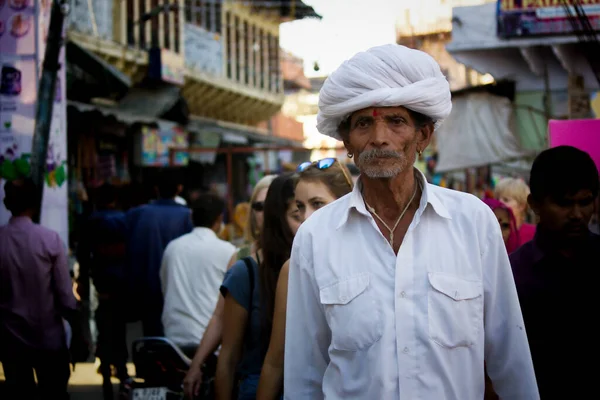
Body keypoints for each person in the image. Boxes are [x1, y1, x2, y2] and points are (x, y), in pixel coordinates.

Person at [284, 44, 538, 399]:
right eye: (363, 124)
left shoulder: (473, 222)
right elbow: (304, 373)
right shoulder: (316, 236)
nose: (379, 137)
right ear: (347, 143)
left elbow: (509, 355)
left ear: (423, 136)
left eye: (396, 121)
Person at [257, 158, 354, 399]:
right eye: (300, 207)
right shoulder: (294, 269)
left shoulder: (377, 259)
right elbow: (275, 361)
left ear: (348, 203)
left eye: (318, 204)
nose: (306, 217)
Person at [510, 146, 599, 398]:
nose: (577, 215)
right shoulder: (513, 274)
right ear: (534, 204)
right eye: (563, 203)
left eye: (585, 202)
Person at [183, 175, 276, 399]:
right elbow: (219, 317)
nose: (266, 212)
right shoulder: (241, 259)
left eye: (272, 204)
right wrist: (196, 365)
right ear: (252, 212)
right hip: (250, 375)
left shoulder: (301, 253)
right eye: (259, 206)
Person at [215, 173, 302, 400]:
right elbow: (229, 355)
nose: (309, 220)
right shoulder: (246, 272)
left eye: (319, 207)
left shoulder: (328, 269)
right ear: (278, 218)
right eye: (297, 213)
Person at [0, 178, 76, 400]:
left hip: (10, 341)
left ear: (6, 203)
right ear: (35, 203)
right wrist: (79, 331)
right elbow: (65, 297)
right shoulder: (49, 239)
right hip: (48, 341)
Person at [160, 193, 237, 358]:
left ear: (191, 217)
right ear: (219, 219)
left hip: (174, 339)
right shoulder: (228, 252)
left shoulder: (172, 248)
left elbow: (165, 288)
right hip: (211, 343)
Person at [120, 172, 193, 336]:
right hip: (177, 288)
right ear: (179, 189)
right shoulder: (187, 216)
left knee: (151, 336)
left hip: (146, 288)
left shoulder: (136, 214)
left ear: (156, 189)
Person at [78, 183, 131, 399]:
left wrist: (82, 280)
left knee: (104, 325)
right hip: (122, 283)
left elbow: (83, 254)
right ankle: (122, 370)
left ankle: (107, 366)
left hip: (101, 284)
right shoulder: (125, 220)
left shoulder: (91, 221)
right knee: (119, 329)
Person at [495, 177, 536, 246]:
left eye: (506, 200)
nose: (499, 203)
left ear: (521, 205)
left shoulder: (533, 234)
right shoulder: (494, 231)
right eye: (497, 199)